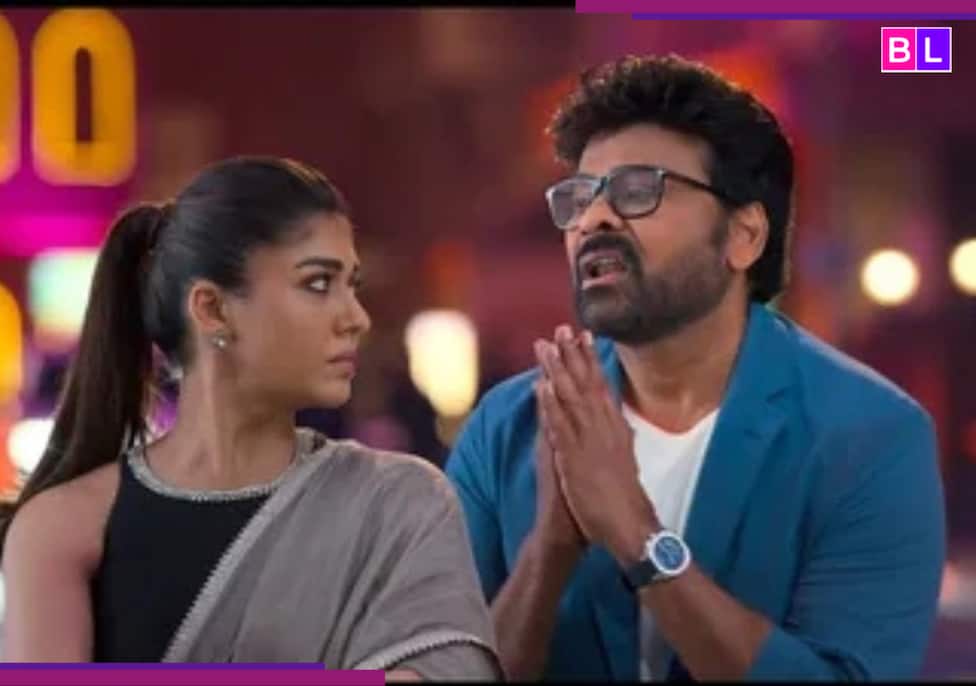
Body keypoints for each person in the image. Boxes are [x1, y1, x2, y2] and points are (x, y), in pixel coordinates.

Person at [445, 54, 946, 681]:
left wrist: (637, 537)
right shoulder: (508, 429)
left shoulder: (868, 435)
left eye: (637, 190)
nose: (594, 219)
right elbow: (446, 667)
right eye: (578, 197)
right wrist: (548, 552)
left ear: (744, 236)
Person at [0, 157, 501, 679]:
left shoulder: (399, 503)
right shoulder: (63, 528)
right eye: (318, 283)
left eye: (352, 285)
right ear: (213, 310)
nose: (356, 317)